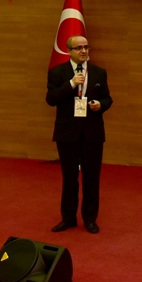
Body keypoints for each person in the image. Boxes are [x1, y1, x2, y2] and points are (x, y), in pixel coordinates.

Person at [45, 35, 112, 234]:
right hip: (67, 134)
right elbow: (51, 99)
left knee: (92, 178)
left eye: (86, 47)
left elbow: (108, 98)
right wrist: (71, 84)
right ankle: (68, 218)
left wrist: (101, 105)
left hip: (92, 133)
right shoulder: (57, 72)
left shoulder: (99, 72)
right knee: (69, 178)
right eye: (79, 48)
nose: (83, 51)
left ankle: (90, 219)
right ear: (69, 51)